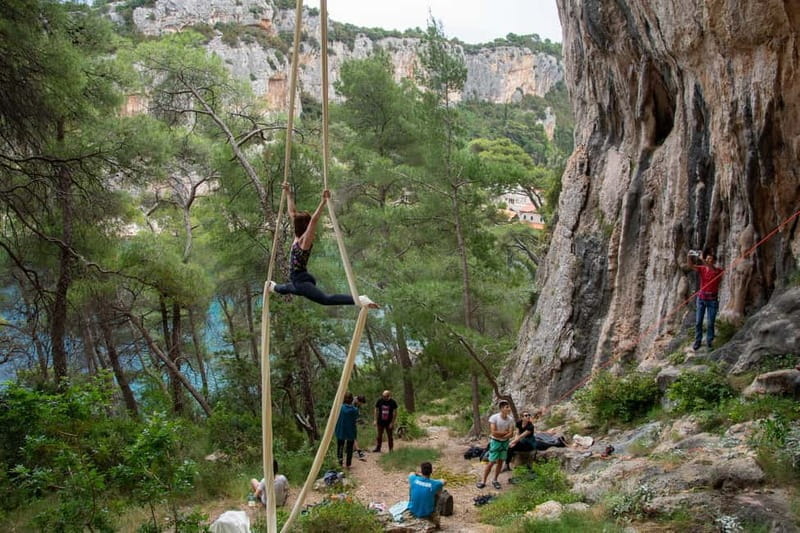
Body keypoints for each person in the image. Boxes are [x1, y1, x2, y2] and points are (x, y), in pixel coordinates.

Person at [270, 183, 378, 308]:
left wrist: (323, 201)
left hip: (301, 281)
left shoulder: (304, 242)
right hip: (298, 279)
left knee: (325, 299)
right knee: (286, 288)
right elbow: (292, 212)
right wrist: (288, 193)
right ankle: (273, 287)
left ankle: (360, 299)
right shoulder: (297, 237)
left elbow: (314, 221)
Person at [688, 249, 724, 350]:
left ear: (714, 261)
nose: (708, 261)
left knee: (710, 322)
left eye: (710, 259)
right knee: (698, 321)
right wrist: (689, 256)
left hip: (712, 300)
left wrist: (702, 259)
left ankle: (709, 340)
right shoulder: (702, 269)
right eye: (707, 259)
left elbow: (712, 270)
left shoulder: (718, 271)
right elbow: (690, 266)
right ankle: (698, 341)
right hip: (701, 299)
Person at [477, 400, 515, 490]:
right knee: (491, 462)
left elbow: (511, 434)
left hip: (504, 443)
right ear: (502, 408)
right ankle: (483, 481)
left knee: (501, 461)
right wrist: (505, 433)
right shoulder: (494, 418)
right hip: (495, 442)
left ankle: (495, 480)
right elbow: (493, 432)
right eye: (507, 407)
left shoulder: (510, 419)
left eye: (509, 407)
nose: (509, 409)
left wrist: (502, 434)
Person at [406, 461, 445, 528]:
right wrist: (433, 481)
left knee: (412, 487)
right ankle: (435, 517)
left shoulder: (414, 479)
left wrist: (418, 475)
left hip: (413, 509)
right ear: (431, 471)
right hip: (427, 512)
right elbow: (444, 481)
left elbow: (411, 473)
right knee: (439, 492)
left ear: (421, 471)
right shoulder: (434, 483)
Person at [334, 392, 358, 468]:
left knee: (340, 446)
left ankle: (340, 463)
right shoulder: (355, 410)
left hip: (341, 430)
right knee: (349, 448)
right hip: (351, 430)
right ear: (351, 400)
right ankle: (348, 464)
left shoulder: (340, 408)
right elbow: (356, 417)